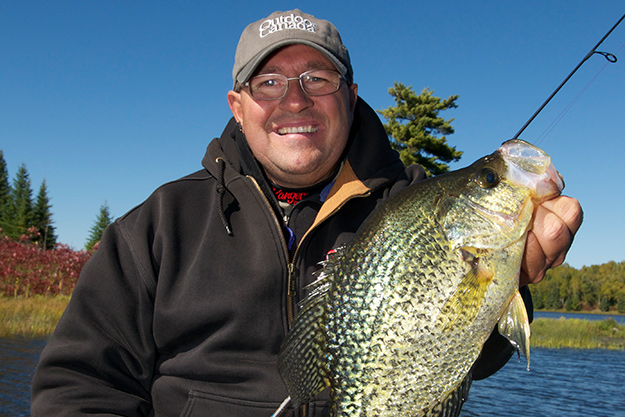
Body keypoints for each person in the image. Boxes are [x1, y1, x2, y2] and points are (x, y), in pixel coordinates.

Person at [31, 9, 583, 417]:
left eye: (317, 80)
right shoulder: (156, 228)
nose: (294, 100)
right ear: (237, 105)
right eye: (268, 82)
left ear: (350, 95)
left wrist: (519, 271)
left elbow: (469, 355)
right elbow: (78, 388)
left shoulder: (413, 203)